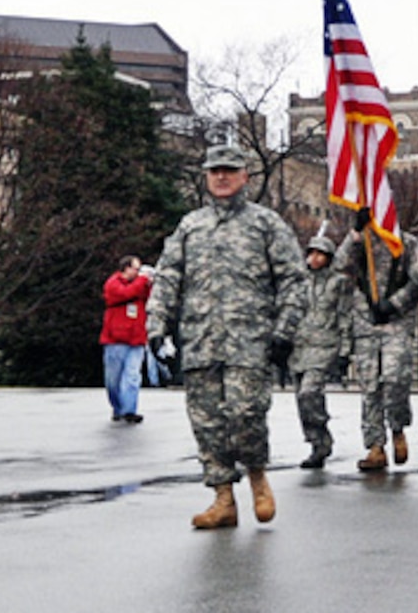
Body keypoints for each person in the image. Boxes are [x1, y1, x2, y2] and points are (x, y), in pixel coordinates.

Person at [146, 143, 305, 530]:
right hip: (200, 340)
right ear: (206, 177)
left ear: (244, 177)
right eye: (214, 171)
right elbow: (168, 276)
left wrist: (285, 329)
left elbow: (294, 279)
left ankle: (256, 476)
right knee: (207, 422)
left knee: (246, 414)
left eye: (229, 171)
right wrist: (156, 326)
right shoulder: (191, 225)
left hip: (249, 340)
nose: (221, 177)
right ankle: (222, 498)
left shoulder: (265, 224)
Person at [340, 209, 418, 473]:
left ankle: (397, 428)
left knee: (395, 379)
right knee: (370, 387)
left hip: (396, 322)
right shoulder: (360, 241)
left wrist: (394, 304)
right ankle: (375, 446)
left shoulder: (407, 243)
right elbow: (338, 265)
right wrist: (354, 233)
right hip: (366, 322)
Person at [292, 234, 351, 469]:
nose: (314, 258)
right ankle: (317, 442)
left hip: (324, 345)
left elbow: (344, 316)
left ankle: (321, 435)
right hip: (300, 348)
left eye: (320, 254)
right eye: (311, 253)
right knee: (302, 400)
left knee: (309, 393)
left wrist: (345, 350)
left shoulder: (338, 283)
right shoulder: (299, 282)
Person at [100, 256, 154, 422]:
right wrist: (143, 280)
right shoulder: (113, 284)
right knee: (113, 380)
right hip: (115, 340)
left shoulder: (139, 286)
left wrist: (150, 284)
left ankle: (129, 410)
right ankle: (118, 408)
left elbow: (149, 299)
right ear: (126, 268)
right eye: (136, 269)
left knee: (132, 376)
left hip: (136, 339)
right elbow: (125, 294)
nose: (138, 274)